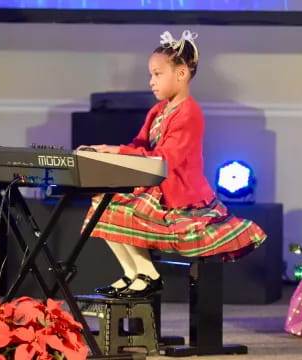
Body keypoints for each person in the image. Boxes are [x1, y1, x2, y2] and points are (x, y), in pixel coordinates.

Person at [78, 29, 267, 299]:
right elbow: (141, 146)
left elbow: (167, 159)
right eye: (151, 74)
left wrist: (119, 152)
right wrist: (111, 151)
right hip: (158, 186)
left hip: (178, 195)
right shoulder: (158, 110)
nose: (151, 81)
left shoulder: (189, 112)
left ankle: (148, 274)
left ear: (181, 74)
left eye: (157, 74)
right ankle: (133, 273)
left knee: (117, 207)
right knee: (104, 202)